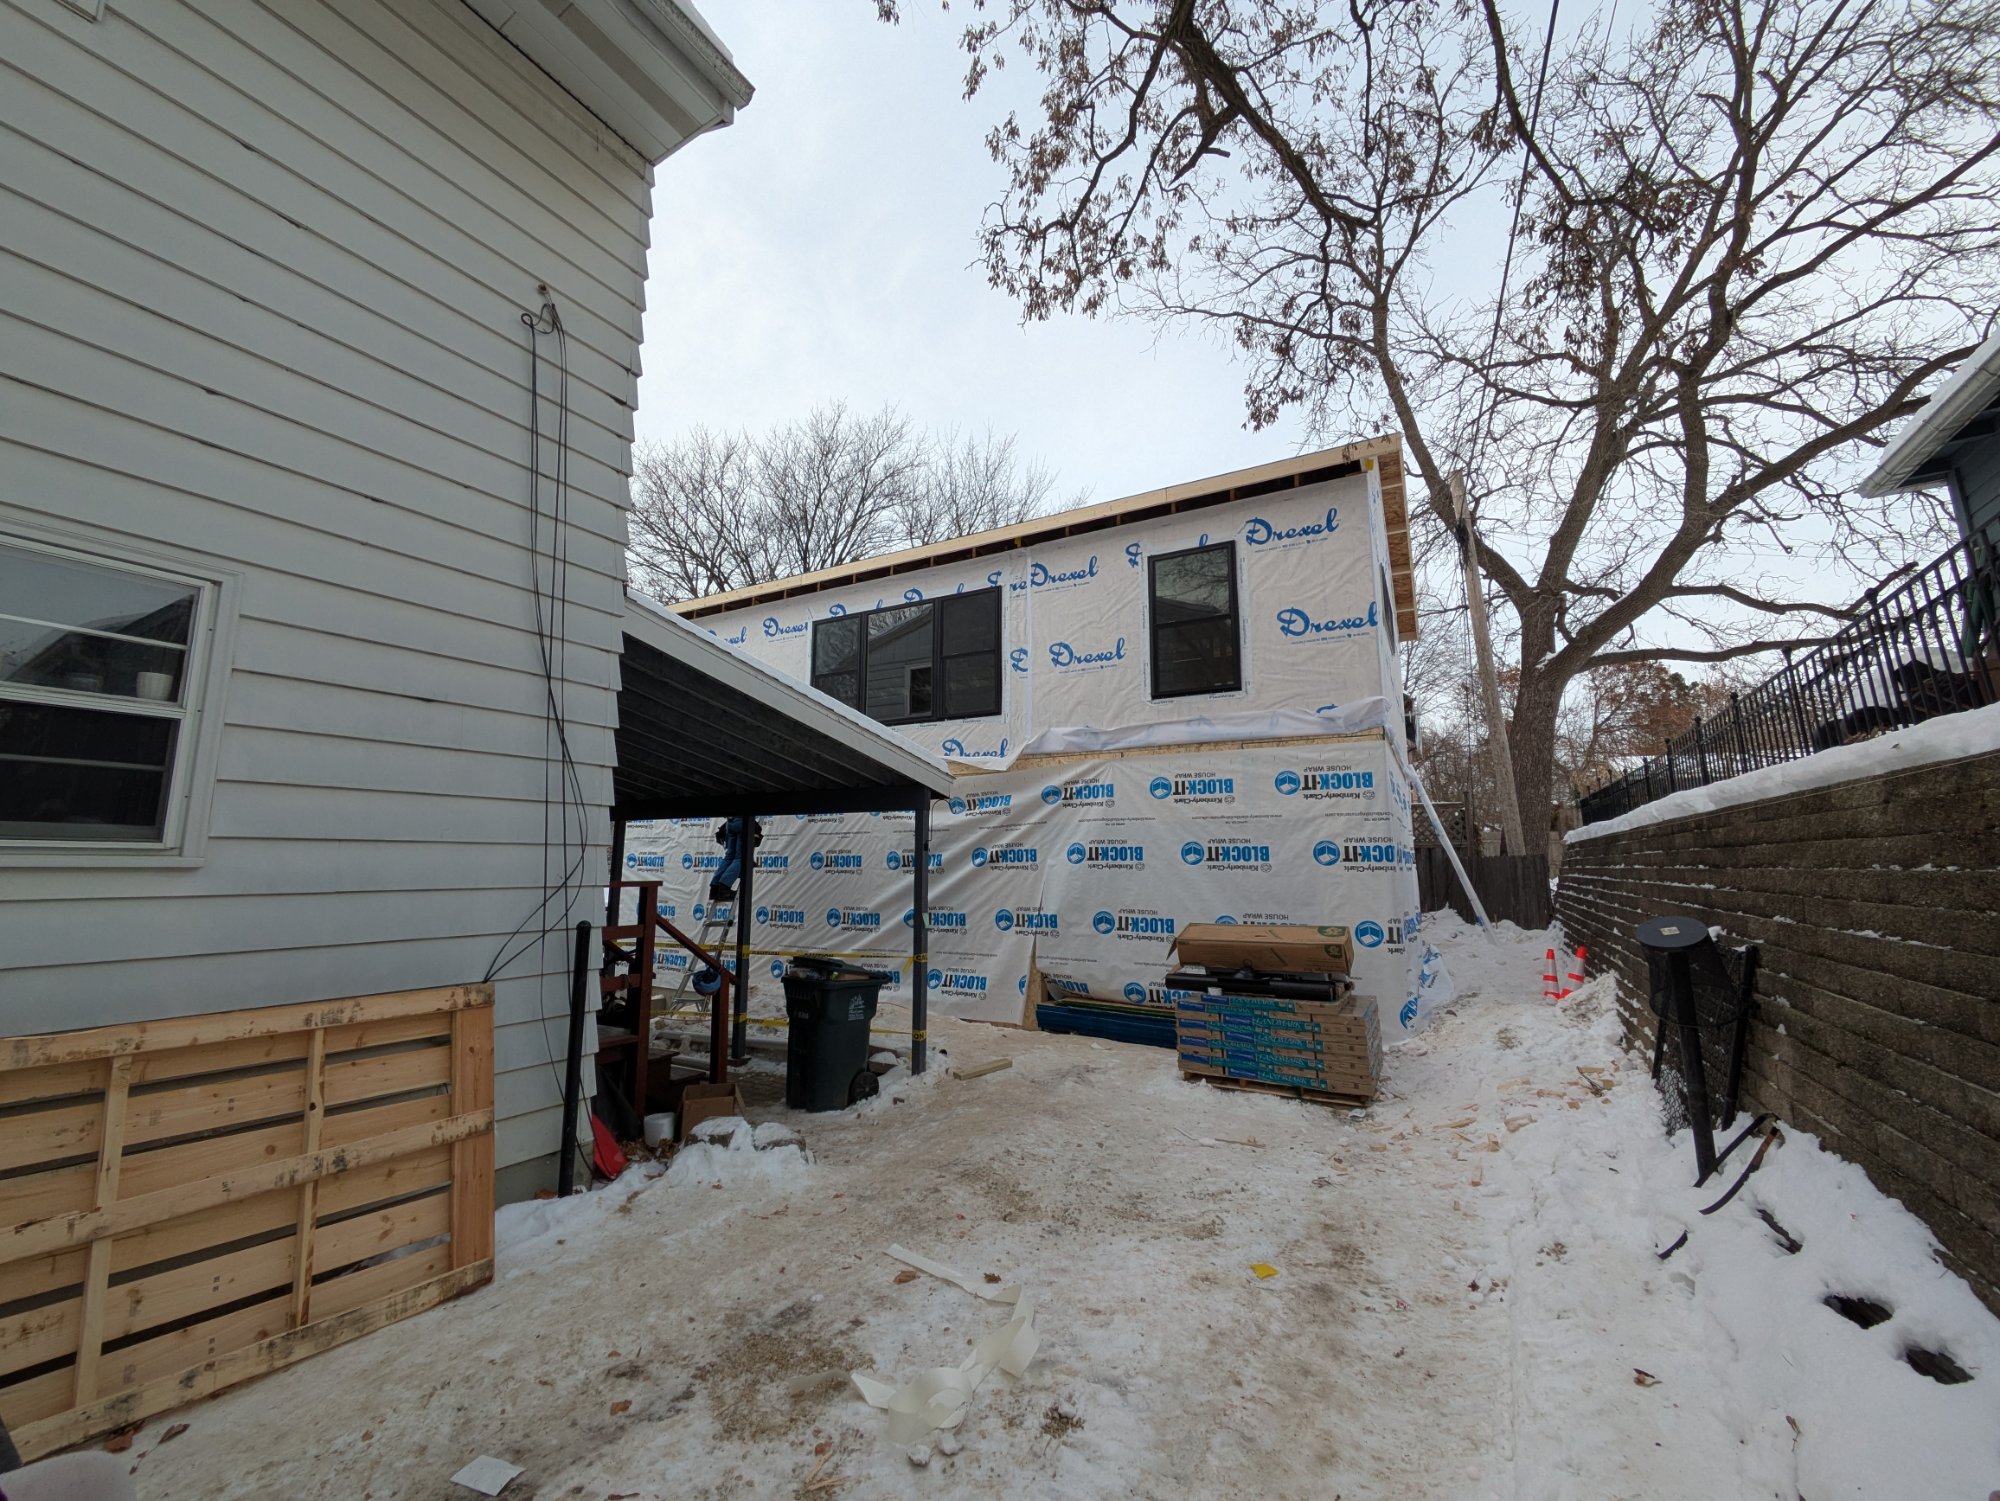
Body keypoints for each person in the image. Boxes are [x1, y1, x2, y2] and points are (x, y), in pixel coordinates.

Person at [709, 817, 763, 902]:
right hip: (742, 821)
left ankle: (714, 889)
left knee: (729, 858)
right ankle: (724, 888)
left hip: (730, 823)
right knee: (741, 858)